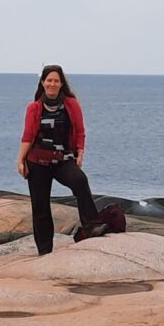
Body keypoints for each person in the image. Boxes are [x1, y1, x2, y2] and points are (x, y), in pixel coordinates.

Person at [18, 64, 106, 255]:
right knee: (40, 206)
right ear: (42, 82)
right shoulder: (34, 108)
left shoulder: (71, 104)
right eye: (49, 80)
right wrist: (20, 160)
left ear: (61, 83)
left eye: (56, 80)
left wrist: (80, 154)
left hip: (63, 160)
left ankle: (91, 225)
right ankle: (44, 250)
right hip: (37, 162)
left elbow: (81, 131)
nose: (52, 83)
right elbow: (27, 136)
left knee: (80, 180)